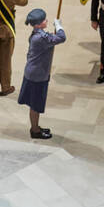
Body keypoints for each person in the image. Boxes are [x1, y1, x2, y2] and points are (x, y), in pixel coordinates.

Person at [19, 9, 65, 139]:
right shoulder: (41, 38)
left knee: (35, 104)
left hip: (34, 72)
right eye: (44, 20)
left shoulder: (37, 34)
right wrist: (59, 26)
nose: (47, 21)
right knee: (35, 105)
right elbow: (62, 38)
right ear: (38, 24)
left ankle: (36, 126)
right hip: (37, 76)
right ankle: (35, 130)